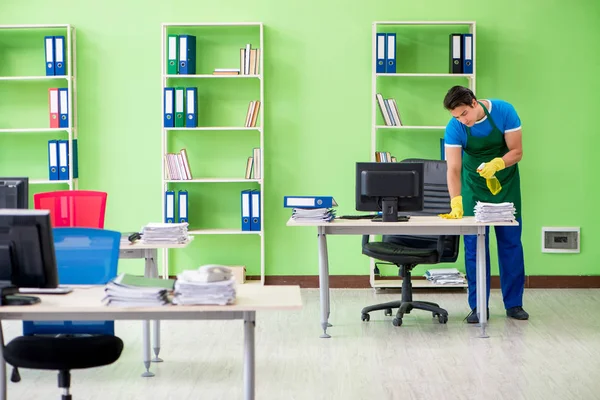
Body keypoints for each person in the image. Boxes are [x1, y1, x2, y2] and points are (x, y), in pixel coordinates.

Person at [439, 85, 528, 323]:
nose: (462, 120)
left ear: (474, 103)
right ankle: (479, 307)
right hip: (473, 187)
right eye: (456, 116)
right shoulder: (455, 127)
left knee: (511, 244)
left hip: (505, 182)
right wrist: (455, 201)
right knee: (474, 247)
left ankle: (514, 304)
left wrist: (497, 164)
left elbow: (517, 151)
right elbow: (454, 168)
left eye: (464, 114)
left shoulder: (504, 112)